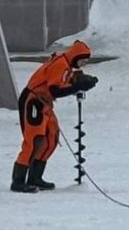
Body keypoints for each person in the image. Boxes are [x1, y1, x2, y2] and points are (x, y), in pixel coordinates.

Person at [11, 40, 99, 193]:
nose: (84, 64)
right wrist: (78, 87)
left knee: (50, 139)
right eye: (83, 60)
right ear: (75, 56)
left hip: (45, 104)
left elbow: (62, 83)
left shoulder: (66, 65)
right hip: (33, 102)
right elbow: (55, 91)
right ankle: (18, 181)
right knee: (34, 141)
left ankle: (35, 177)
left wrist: (79, 82)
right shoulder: (60, 64)